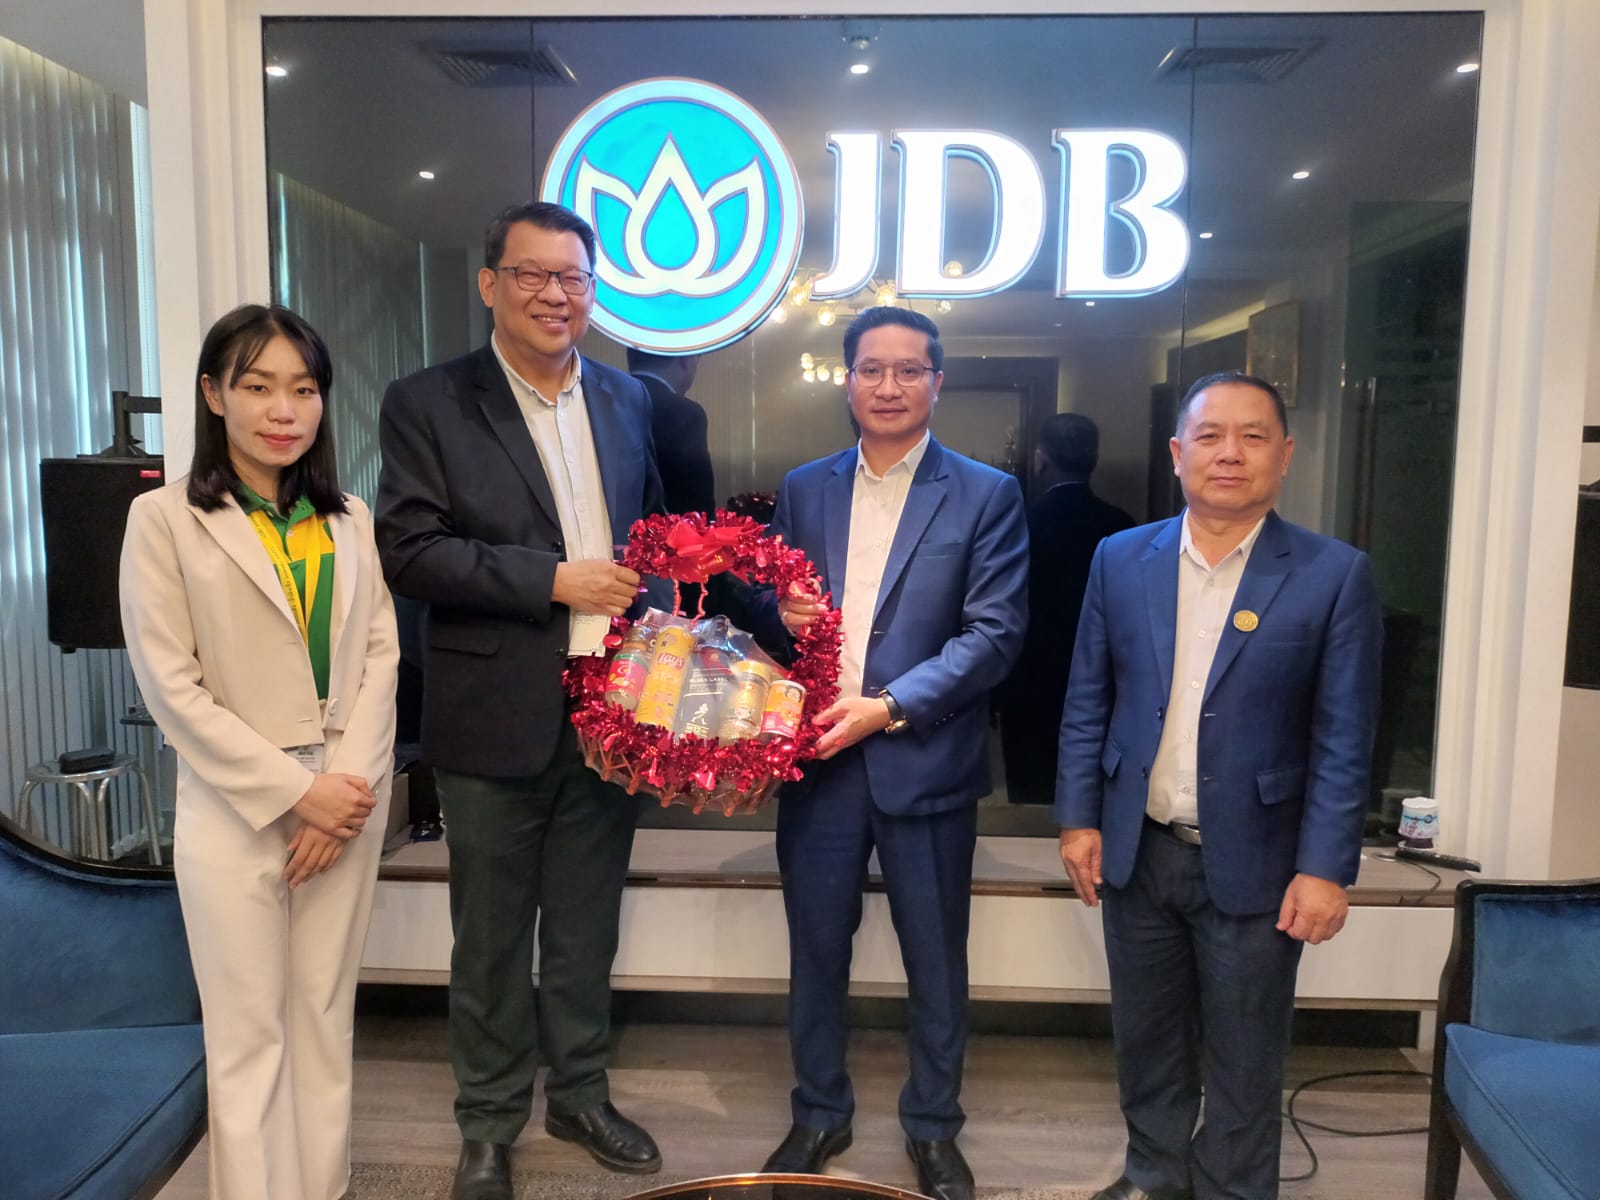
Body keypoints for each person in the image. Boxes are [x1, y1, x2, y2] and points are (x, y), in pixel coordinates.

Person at [375, 201, 665, 1200]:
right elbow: (410, 551)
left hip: (611, 717)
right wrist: (552, 581)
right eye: (533, 274)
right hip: (492, 714)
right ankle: (489, 1124)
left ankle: (580, 1095)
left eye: (572, 277)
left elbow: (649, 544)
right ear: (490, 283)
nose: (555, 294)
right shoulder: (429, 402)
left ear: (593, 290)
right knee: (492, 939)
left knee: (586, 929)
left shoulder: (627, 400)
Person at [1055, 371, 1384, 1200]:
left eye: (1252, 436)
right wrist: (1078, 819)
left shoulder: (1333, 574)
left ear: (1285, 453)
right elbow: (1088, 698)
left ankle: (1234, 1188)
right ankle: (1155, 1176)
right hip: (1139, 850)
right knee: (1147, 1041)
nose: (1228, 453)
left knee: (1244, 1055)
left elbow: (1345, 738)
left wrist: (1325, 868)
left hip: (1260, 859)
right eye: (1209, 436)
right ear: (1178, 453)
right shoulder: (1121, 559)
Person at [119, 304, 398, 1200]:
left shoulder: (348, 518)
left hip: (347, 794)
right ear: (214, 395)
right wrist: (295, 793)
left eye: (304, 390)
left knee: (322, 1015)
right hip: (237, 801)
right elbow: (172, 686)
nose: (284, 410)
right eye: (258, 386)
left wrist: (343, 791)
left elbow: (380, 657)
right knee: (248, 1033)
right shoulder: (163, 518)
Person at [753, 307, 1028, 1200]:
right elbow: (778, 614)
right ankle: (818, 1112)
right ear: (848, 381)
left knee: (936, 960)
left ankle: (934, 1127)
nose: (889, 386)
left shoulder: (986, 493)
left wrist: (890, 707)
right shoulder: (805, 487)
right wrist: (777, 614)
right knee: (815, 952)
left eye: (910, 370)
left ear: (937, 384)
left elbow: (994, 634)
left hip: (927, 762)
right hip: (821, 765)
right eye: (872, 369)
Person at [999, 412, 1134, 804]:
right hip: (1102, 672)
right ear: (1093, 459)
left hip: (1029, 673)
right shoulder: (1121, 526)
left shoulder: (1020, 523)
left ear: (1041, 458)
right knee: (1091, 785)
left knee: (1031, 787)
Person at [628, 347, 715, 517]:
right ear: (686, 360)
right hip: (664, 531)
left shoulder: (604, 403)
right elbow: (698, 507)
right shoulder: (684, 413)